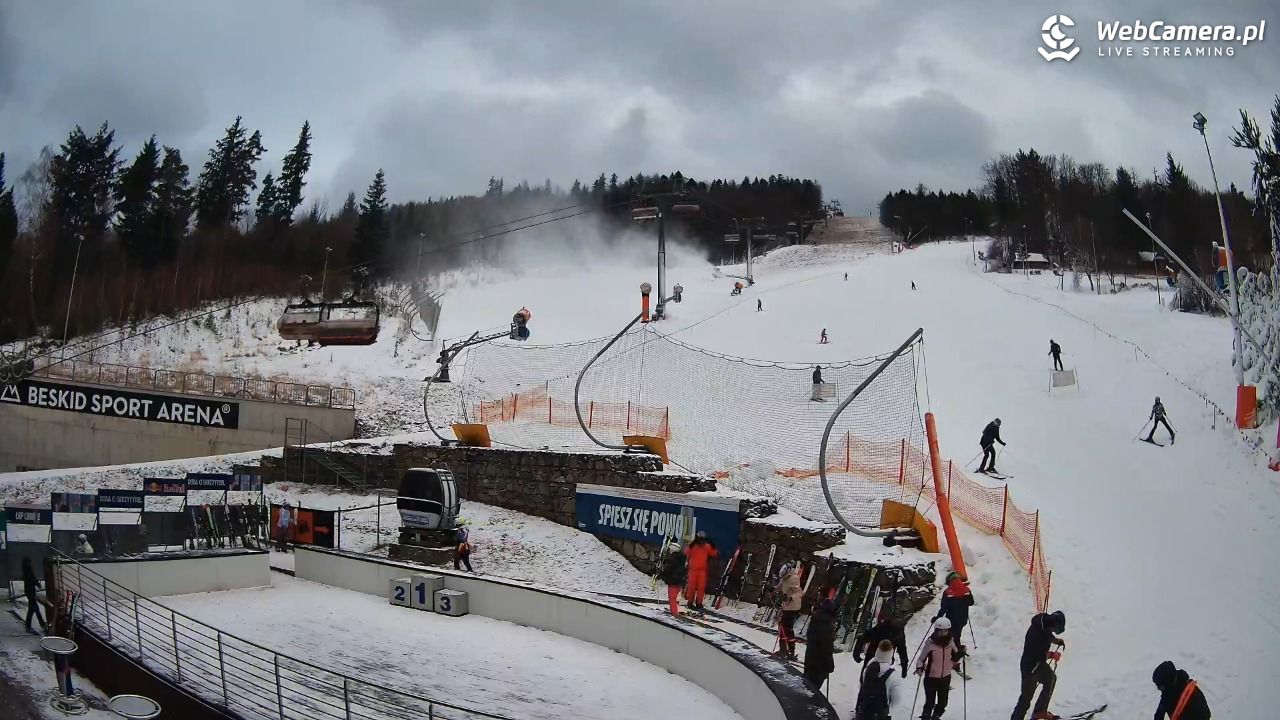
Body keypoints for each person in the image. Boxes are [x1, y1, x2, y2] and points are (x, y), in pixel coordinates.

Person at [1011, 610, 1066, 720]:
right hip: (1030, 667)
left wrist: (1056, 640)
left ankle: (1040, 712)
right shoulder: (1039, 635)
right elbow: (1038, 655)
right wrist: (1052, 655)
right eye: (1055, 630)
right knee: (1026, 699)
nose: (1054, 632)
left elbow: (1048, 634)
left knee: (1050, 679)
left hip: (1038, 664)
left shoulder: (1043, 624)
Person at [915, 617, 966, 720]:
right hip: (931, 677)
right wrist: (919, 668)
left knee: (943, 702)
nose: (943, 633)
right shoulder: (930, 642)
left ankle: (936, 716)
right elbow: (921, 659)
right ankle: (926, 717)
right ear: (936, 630)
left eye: (945, 630)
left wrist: (961, 653)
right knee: (930, 702)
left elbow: (955, 656)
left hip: (946, 677)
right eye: (940, 631)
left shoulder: (950, 641)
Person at [855, 640, 896, 720]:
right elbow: (897, 699)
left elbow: (863, 684)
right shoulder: (891, 673)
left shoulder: (870, 665)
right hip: (880, 709)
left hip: (865, 705)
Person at [803, 598, 837, 693]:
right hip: (820, 663)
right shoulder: (828, 625)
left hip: (810, 657)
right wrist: (830, 664)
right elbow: (826, 647)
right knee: (813, 688)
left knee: (807, 684)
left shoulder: (815, 619)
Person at [934, 571, 974, 650]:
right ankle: (956, 650)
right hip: (963, 618)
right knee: (957, 635)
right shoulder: (967, 590)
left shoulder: (947, 592)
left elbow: (943, 608)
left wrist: (938, 618)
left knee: (950, 636)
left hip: (951, 620)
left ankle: (951, 652)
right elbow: (971, 602)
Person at [684, 533, 719, 611]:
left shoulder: (707, 547)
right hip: (693, 570)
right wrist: (690, 546)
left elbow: (714, 554)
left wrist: (713, 547)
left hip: (702, 571)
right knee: (691, 587)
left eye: (703, 540)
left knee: (701, 588)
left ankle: (699, 603)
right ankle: (690, 602)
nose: (702, 542)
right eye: (701, 539)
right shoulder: (693, 546)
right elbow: (686, 552)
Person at [776, 564, 804, 660]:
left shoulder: (794, 578)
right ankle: (783, 649)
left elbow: (799, 592)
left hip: (792, 607)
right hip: (786, 606)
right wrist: (774, 589)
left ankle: (790, 650)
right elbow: (781, 585)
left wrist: (789, 597)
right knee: (783, 627)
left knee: (787, 628)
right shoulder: (785, 578)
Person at [658, 542, 688, 615]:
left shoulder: (672, 560)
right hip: (678, 582)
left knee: (672, 599)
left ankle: (674, 613)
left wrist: (662, 574)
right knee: (673, 598)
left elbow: (667, 570)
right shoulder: (681, 559)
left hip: (673, 582)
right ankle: (673, 611)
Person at [22, 558, 45, 633]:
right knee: (35, 608)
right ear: (28, 563)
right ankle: (41, 624)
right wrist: (38, 584)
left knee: (33, 609)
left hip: (29, 591)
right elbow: (33, 579)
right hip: (31, 592)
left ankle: (38, 624)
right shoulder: (29, 571)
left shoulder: (25, 570)